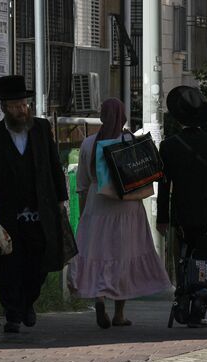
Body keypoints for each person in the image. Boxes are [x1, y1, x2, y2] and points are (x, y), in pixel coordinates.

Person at [0, 75, 68, 333]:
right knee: (8, 264)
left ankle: (28, 302)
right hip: (6, 212)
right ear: (4, 107)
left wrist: (61, 199)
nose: (21, 109)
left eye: (24, 104)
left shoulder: (40, 128)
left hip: (40, 210)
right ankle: (13, 313)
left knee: (40, 263)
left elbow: (53, 164)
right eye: (15, 105)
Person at [68, 98, 171, 329]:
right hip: (127, 207)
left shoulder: (88, 144)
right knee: (123, 257)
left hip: (97, 206)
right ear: (123, 115)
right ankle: (119, 313)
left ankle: (99, 299)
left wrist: (85, 215)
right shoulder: (130, 141)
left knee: (99, 254)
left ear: (102, 116)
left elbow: (82, 184)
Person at [157, 85, 207, 328]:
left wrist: (162, 218)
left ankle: (182, 299)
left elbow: (165, 185)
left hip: (180, 214)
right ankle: (199, 306)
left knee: (182, 258)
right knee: (204, 260)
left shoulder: (168, 146)